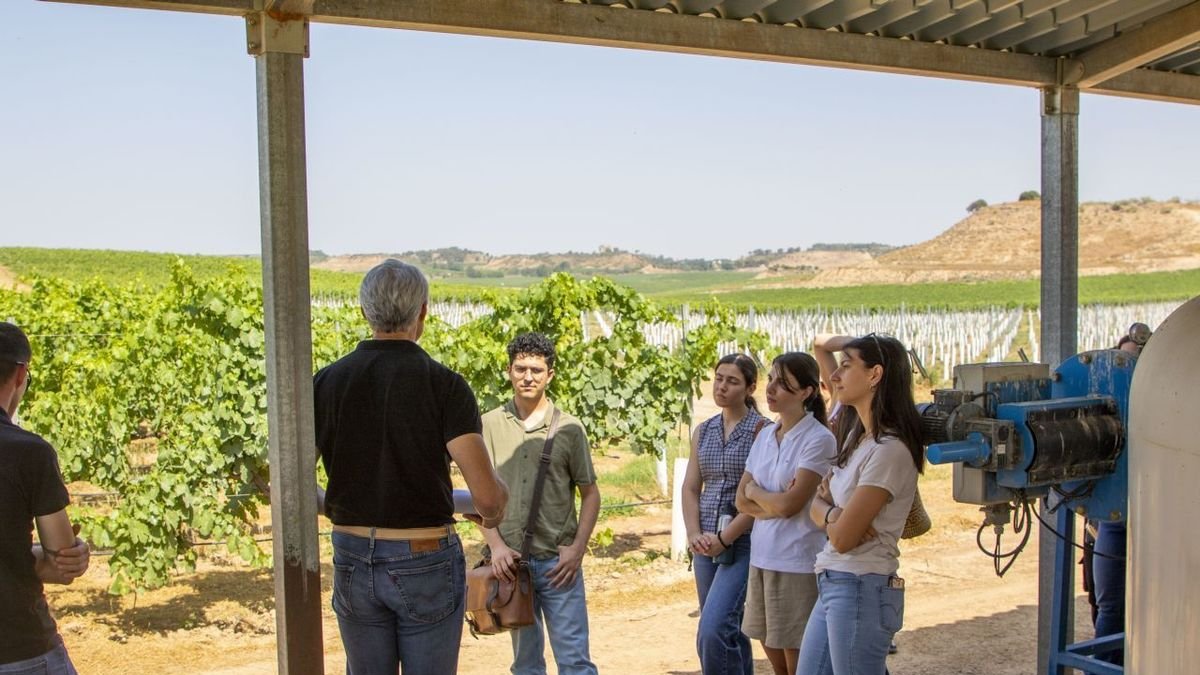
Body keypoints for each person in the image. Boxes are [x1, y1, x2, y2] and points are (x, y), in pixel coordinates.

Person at [313, 259, 509, 675]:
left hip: (350, 552)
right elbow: (488, 500)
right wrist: (493, 504)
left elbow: (286, 487)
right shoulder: (445, 386)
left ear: (365, 312)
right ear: (422, 311)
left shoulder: (326, 382)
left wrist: (333, 506)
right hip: (425, 558)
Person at [799, 333, 925, 675]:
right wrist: (835, 514)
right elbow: (817, 505)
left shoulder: (889, 450)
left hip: (860, 586)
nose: (835, 376)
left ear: (875, 375)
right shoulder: (859, 439)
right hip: (837, 581)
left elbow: (842, 538)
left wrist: (828, 514)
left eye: (846, 365)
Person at [478, 332, 601, 675]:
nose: (527, 377)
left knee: (575, 661)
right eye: (520, 369)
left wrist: (577, 549)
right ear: (508, 371)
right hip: (511, 566)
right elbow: (479, 494)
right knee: (526, 664)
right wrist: (496, 546)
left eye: (536, 369)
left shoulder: (569, 429)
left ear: (550, 374)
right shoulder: (488, 425)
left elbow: (590, 493)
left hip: (558, 564)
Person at [734, 352, 836, 675]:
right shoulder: (765, 435)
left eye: (783, 383)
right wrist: (771, 500)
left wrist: (758, 494)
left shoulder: (818, 439)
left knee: (798, 660)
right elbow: (741, 499)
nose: (772, 388)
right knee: (773, 652)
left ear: (806, 392)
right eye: (772, 379)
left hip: (797, 562)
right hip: (762, 557)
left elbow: (791, 506)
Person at [1, 322, 91, 675]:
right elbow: (62, 561)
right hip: (20, 651)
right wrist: (63, 556)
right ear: (21, 375)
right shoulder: (29, 453)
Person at [681, 354, 766, 675]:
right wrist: (693, 534)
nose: (722, 386)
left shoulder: (762, 431)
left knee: (713, 629)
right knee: (730, 628)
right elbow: (691, 487)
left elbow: (761, 499)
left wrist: (724, 538)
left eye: (732, 381)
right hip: (705, 545)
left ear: (749, 388)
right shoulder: (703, 431)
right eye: (719, 378)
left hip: (744, 543)